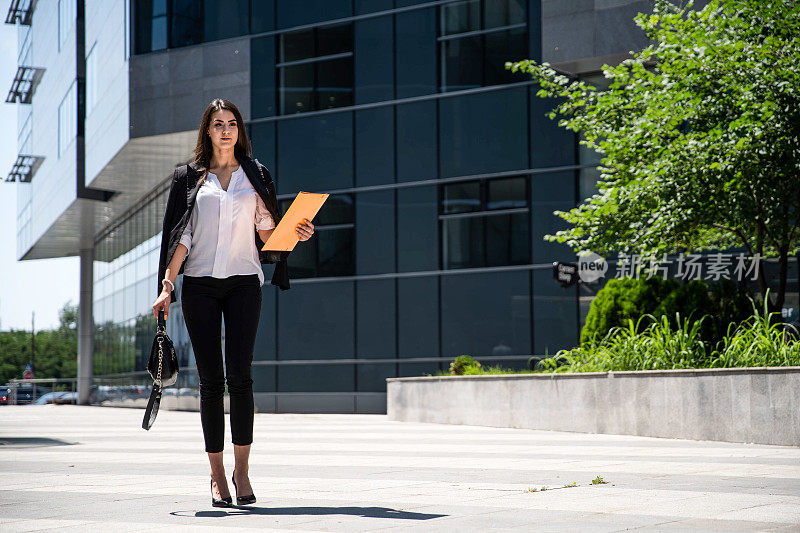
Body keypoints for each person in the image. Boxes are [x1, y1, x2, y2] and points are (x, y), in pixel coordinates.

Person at [152, 98, 314, 507]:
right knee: (211, 383)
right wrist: (168, 284)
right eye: (218, 123)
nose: (226, 130)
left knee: (240, 377)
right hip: (201, 286)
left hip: (244, 282)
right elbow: (181, 235)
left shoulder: (254, 174)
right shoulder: (189, 178)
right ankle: (216, 474)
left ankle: (242, 472)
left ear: (239, 131)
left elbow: (267, 234)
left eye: (232, 124)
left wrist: (297, 230)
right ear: (207, 130)